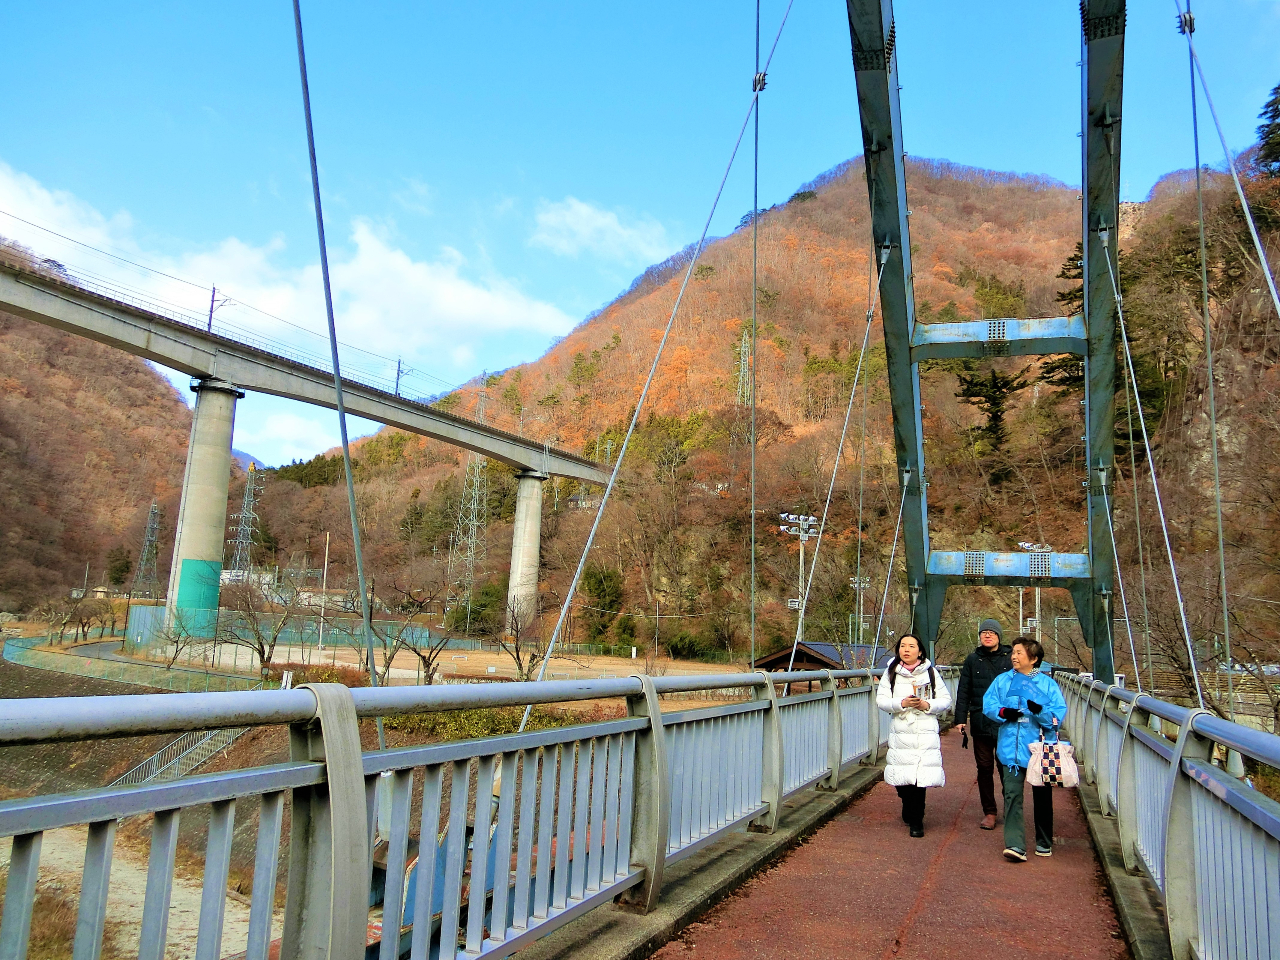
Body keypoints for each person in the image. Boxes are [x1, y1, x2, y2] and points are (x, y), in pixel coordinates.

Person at [982, 637, 1068, 862]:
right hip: (1010, 749)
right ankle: (1015, 845)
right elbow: (989, 704)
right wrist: (1003, 712)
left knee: (1042, 797)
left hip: (1040, 749)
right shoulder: (1002, 681)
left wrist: (1039, 711)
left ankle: (1043, 841)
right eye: (1013, 652)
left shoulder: (1047, 684)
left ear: (1034, 658)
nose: (1014, 656)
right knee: (1012, 795)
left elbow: (1056, 719)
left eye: (1019, 653)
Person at [877, 633, 952, 837]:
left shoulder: (931, 672)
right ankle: (906, 802)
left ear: (920, 651)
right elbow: (881, 700)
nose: (906, 649)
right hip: (902, 730)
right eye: (903, 646)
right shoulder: (891, 672)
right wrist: (902, 703)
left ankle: (917, 822)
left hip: (925, 729)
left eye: (911, 646)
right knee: (903, 780)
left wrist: (927, 705)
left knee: (919, 777)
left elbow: (945, 699)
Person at [953, 618, 1012, 830]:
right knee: (984, 768)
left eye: (992, 632)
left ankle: (1011, 810)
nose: (987, 635)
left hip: (1006, 721)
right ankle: (990, 812)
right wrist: (960, 719)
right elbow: (964, 690)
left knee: (1007, 767)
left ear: (999, 636)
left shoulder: (1011, 658)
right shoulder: (972, 660)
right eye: (984, 632)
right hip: (980, 720)